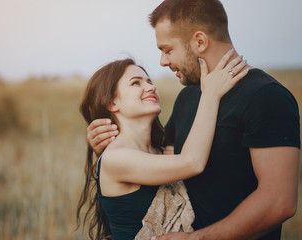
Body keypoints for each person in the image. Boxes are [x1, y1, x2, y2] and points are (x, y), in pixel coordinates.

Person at [86, 0, 300, 240]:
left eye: (167, 50)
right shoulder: (187, 98)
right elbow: (157, 168)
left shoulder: (266, 96)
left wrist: (196, 239)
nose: (163, 62)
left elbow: (280, 202)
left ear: (200, 42)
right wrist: (107, 143)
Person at [76, 51, 248, 240]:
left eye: (149, 81)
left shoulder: (162, 151)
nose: (151, 87)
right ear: (111, 102)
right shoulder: (116, 158)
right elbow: (193, 162)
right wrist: (211, 94)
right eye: (136, 83)